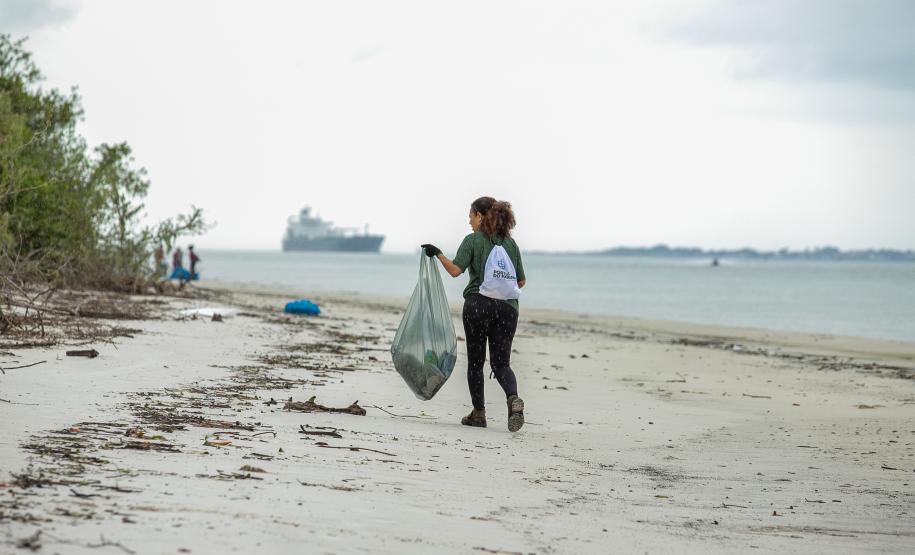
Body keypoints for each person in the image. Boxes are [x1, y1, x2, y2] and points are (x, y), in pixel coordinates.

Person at [421, 196, 527, 432]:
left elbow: (455, 271)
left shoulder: (472, 240)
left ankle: (478, 414)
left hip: (478, 306)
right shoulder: (511, 245)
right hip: (508, 309)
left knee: (476, 363)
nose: (469, 221)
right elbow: (520, 281)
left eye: (471, 216)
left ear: (480, 216)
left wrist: (437, 253)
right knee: (501, 364)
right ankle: (513, 398)